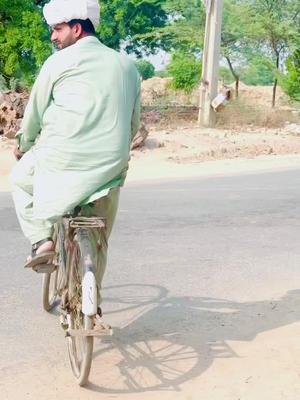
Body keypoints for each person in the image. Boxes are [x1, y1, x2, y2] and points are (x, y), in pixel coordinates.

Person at [11, 0, 140, 308]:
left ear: (76, 29)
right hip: (109, 166)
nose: (53, 37)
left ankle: (43, 241)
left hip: (61, 161)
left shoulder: (57, 64)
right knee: (99, 236)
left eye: (57, 29)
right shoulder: (127, 66)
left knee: (19, 180)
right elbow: (133, 122)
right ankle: (90, 302)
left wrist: (23, 144)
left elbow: (35, 115)